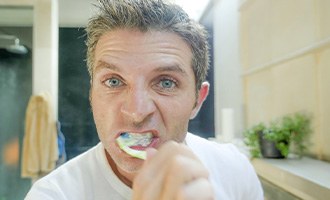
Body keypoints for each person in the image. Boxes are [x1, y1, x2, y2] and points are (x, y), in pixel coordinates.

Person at [25, 0, 263, 199]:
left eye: (166, 82)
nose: (137, 112)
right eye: (114, 81)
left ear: (197, 100)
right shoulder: (53, 194)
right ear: (92, 95)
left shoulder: (236, 171)